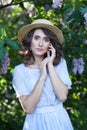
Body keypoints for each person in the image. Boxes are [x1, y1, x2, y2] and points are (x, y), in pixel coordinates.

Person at [12, 19, 74, 130]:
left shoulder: (60, 64)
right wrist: (42, 77)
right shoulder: (19, 71)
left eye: (46, 39)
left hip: (59, 120)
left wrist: (50, 65)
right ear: (30, 41)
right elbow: (29, 108)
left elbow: (62, 96)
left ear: (50, 44)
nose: (40, 44)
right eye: (36, 38)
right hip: (35, 123)